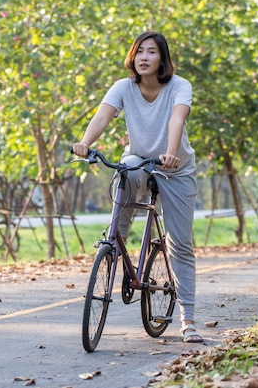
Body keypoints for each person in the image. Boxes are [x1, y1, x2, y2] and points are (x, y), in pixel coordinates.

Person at [71, 30, 202, 343]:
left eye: (152, 52)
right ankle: (117, 241)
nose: (144, 57)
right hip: (140, 159)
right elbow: (104, 115)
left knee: (180, 244)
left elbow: (176, 120)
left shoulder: (180, 86)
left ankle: (188, 319)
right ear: (133, 56)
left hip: (176, 168)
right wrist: (86, 143)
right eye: (140, 51)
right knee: (126, 169)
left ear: (162, 59)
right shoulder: (123, 87)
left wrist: (171, 152)